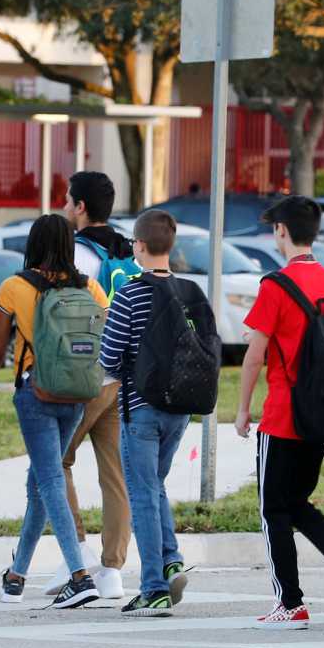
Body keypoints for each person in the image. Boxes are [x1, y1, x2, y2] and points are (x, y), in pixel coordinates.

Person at [234, 195, 324, 629]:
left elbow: (255, 355)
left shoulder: (274, 286)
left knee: (273, 509)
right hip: (320, 410)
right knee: (295, 502)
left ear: (281, 231)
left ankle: (290, 602)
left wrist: (242, 410)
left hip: (281, 414)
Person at [0, 214, 107, 609]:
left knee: (49, 479)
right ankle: (17, 574)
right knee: (40, 482)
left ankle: (79, 575)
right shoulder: (89, 286)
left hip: (35, 393)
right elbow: (105, 327)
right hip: (77, 393)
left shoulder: (15, 286)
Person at [99, 210, 203, 617]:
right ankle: (171, 556)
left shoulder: (129, 293)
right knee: (155, 483)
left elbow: (109, 358)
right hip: (181, 408)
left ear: (138, 246)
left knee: (141, 493)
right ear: (171, 245)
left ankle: (154, 587)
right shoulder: (192, 291)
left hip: (140, 408)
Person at [52, 171, 133, 600]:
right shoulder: (126, 250)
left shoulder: (79, 255)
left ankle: (76, 559)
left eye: (68, 200)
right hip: (123, 377)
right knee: (115, 474)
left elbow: (66, 317)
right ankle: (113, 569)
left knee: (54, 462)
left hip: (87, 376)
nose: (66, 207)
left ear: (80, 206)